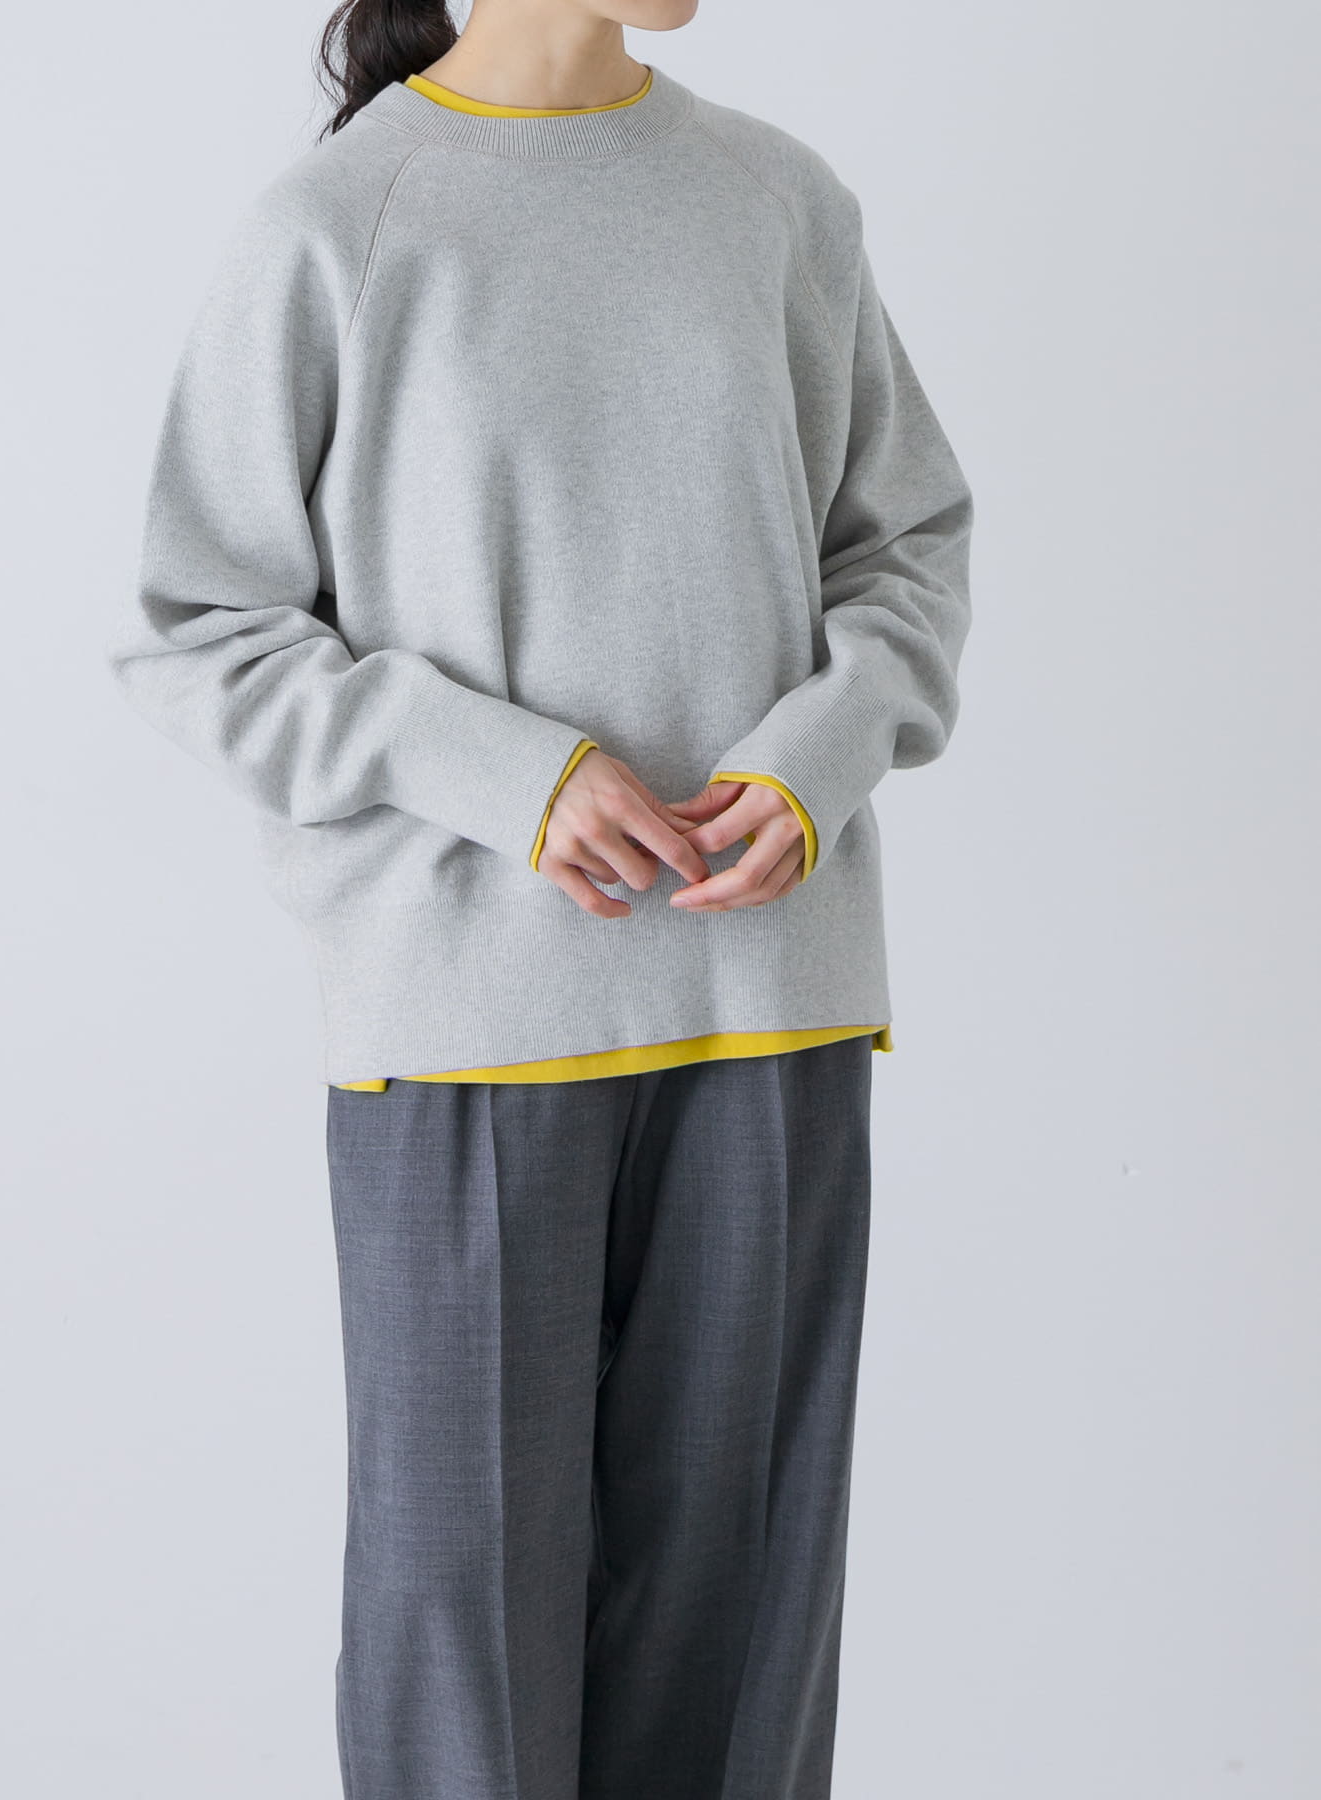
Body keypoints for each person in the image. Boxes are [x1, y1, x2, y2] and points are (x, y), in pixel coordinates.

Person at [106, 0, 974, 1792]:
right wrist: (510, 774)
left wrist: (817, 763)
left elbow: (906, 547)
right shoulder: (340, 224)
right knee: (465, 1649)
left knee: (741, 1645)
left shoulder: (777, 199)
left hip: (773, 1011)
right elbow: (203, 629)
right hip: (469, 1026)